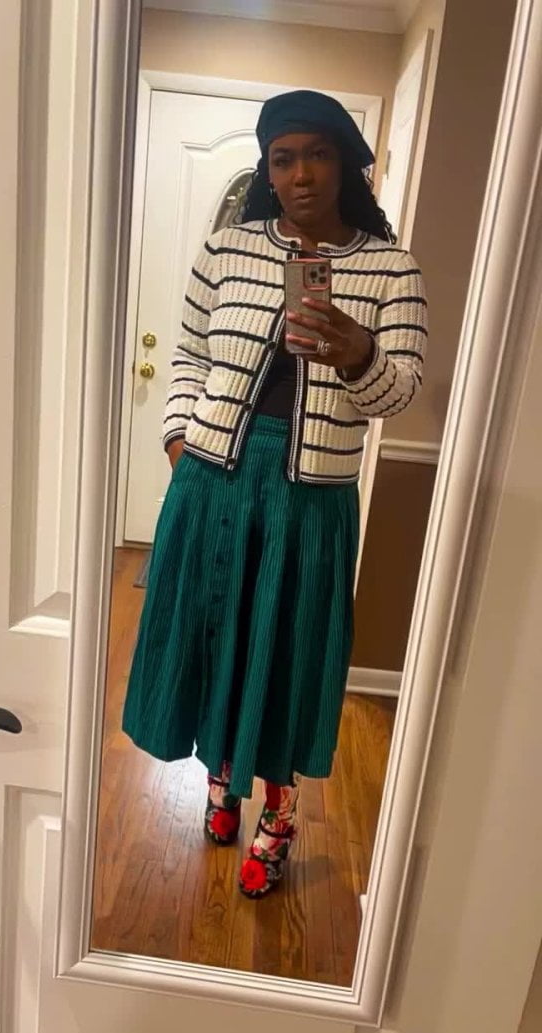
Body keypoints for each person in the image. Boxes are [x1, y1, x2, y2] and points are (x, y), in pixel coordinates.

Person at [123, 90, 427, 899]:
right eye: (283, 158)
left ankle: (279, 817)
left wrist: (358, 352)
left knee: (286, 655)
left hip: (310, 502)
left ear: (347, 163)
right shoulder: (226, 249)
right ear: (267, 169)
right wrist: (180, 440)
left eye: (318, 154)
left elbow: (399, 395)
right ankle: (222, 783)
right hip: (213, 480)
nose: (301, 174)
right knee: (215, 634)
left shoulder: (393, 270)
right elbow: (189, 355)